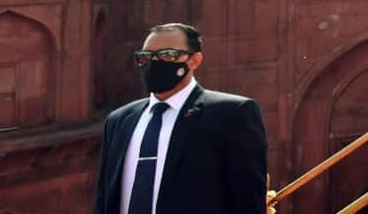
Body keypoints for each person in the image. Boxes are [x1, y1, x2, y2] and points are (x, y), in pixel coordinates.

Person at [93, 22, 268, 214]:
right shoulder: (119, 121)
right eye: (145, 57)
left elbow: (248, 200)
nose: (154, 63)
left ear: (194, 60)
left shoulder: (230, 114)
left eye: (167, 55)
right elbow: (104, 200)